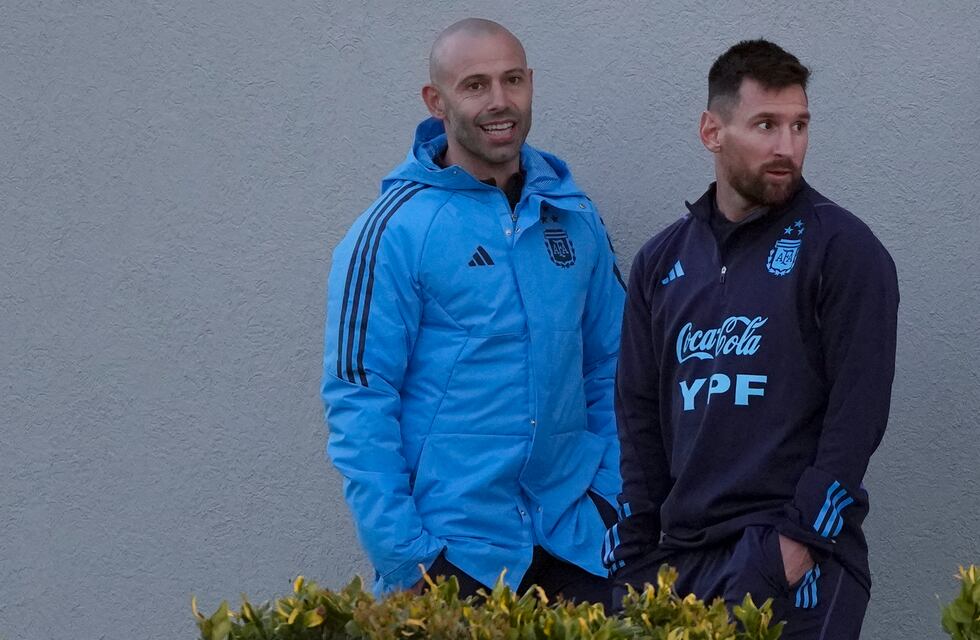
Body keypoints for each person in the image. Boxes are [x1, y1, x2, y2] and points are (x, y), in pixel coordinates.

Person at [321, 18, 625, 606]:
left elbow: (615, 368)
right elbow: (360, 398)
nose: (499, 102)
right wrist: (409, 558)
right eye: (475, 85)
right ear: (436, 101)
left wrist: (611, 499)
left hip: (574, 543)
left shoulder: (574, 217)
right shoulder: (392, 230)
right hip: (454, 559)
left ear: (532, 83)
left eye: (513, 80)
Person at [605, 40, 899, 638]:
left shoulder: (843, 250)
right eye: (765, 125)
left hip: (790, 554)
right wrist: (636, 552)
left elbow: (857, 418)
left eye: (799, 125)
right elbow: (638, 415)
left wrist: (797, 545)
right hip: (678, 562)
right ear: (712, 132)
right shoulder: (660, 263)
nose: (786, 147)